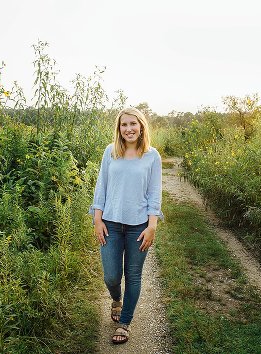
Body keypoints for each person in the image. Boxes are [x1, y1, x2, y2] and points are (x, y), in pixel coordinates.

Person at [89, 106, 164, 345]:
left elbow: (155, 194)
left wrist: (152, 226)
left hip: (138, 226)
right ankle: (116, 298)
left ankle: (125, 323)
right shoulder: (110, 152)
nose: (129, 129)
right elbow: (101, 187)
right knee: (111, 276)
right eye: (124, 124)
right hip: (110, 224)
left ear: (141, 127)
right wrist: (97, 220)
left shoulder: (152, 155)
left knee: (133, 275)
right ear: (119, 128)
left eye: (133, 124)